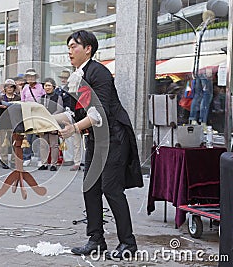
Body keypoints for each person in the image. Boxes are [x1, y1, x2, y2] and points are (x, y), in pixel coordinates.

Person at [59, 30, 143, 258]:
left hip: (114, 136)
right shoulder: (79, 76)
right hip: (97, 138)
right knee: (90, 187)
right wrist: (42, 120)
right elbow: (77, 114)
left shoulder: (99, 73)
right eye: (68, 47)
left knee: (111, 188)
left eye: (73, 46)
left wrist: (74, 129)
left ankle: (128, 243)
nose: (69, 51)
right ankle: (96, 239)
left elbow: (100, 113)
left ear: (88, 49)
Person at [20, 68, 45, 166]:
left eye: (32, 76)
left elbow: (44, 100)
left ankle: (39, 158)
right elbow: (23, 101)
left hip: (38, 114)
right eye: (29, 77)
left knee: (39, 137)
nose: (30, 78)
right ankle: (27, 157)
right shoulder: (25, 88)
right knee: (28, 137)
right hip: (28, 114)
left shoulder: (40, 87)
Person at [38, 78, 63, 171]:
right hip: (43, 123)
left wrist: (51, 117)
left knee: (54, 144)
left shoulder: (58, 97)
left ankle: (53, 164)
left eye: (49, 85)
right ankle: (44, 163)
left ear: (53, 87)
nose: (47, 87)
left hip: (53, 121)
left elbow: (60, 109)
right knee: (43, 144)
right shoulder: (41, 98)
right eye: (45, 85)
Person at [0, 79, 21, 169]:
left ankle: (13, 160)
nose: (9, 88)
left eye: (11, 86)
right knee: (3, 143)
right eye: (7, 86)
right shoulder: (1, 97)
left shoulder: (18, 98)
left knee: (14, 142)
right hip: (3, 122)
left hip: (14, 122)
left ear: (14, 88)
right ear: (5, 88)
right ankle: (4, 160)